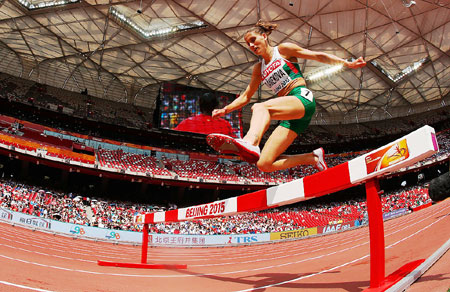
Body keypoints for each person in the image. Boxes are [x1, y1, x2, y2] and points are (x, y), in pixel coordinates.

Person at [207, 20, 366, 172]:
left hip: (302, 99)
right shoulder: (258, 69)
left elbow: (317, 55)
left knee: (260, 107)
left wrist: (346, 63)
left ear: (264, 36)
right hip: (291, 117)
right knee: (264, 164)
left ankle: (250, 141)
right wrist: (225, 110)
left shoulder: (282, 50)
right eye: (248, 44)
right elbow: (246, 96)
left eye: (253, 40)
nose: (251, 45)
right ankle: (313, 158)